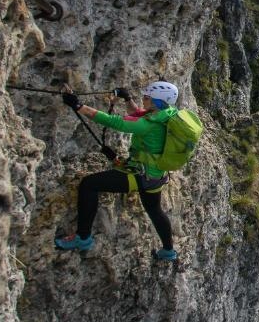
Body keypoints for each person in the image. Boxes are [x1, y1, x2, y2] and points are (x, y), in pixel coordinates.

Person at [55, 82, 181, 261]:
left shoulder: (148, 124)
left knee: (89, 185)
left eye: (147, 98)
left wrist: (78, 106)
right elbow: (137, 115)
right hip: (156, 175)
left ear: (157, 102)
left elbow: (115, 122)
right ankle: (168, 251)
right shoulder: (165, 115)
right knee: (154, 209)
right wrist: (127, 98)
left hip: (140, 175)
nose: (143, 99)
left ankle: (83, 238)